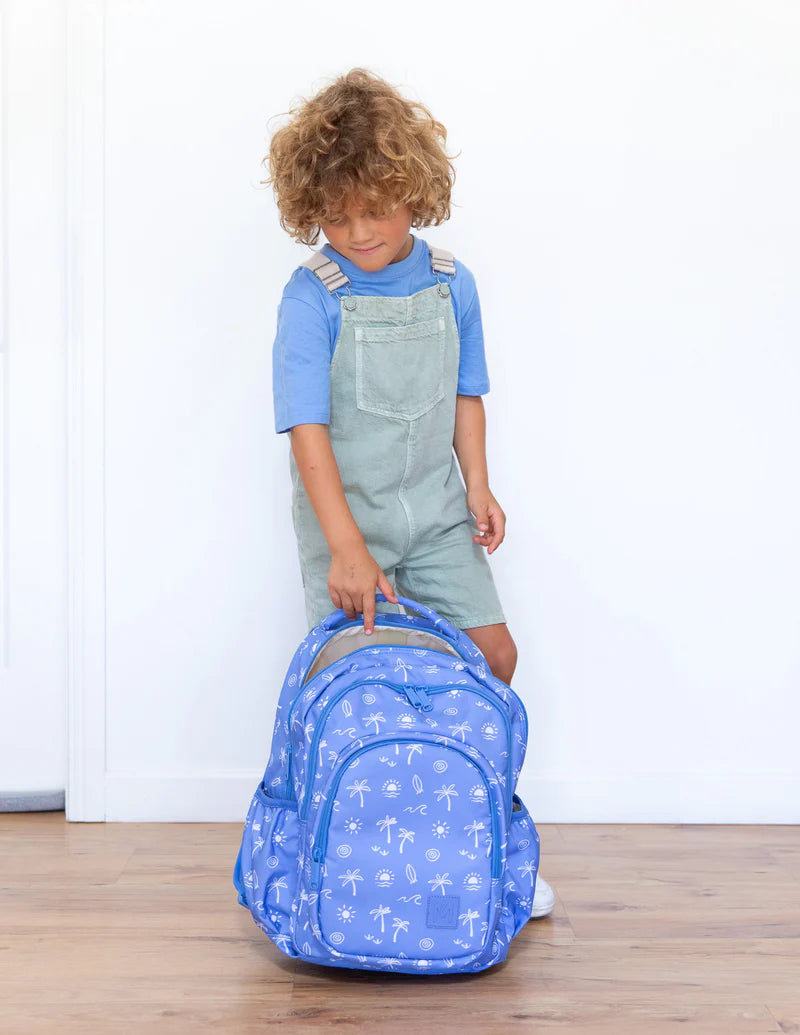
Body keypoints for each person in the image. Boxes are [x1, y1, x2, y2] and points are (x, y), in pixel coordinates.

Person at [264, 67, 554, 920]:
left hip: (433, 514)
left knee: (493, 658)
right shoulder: (311, 298)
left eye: (376, 210)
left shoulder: (450, 281)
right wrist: (346, 546)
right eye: (336, 213)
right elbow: (306, 430)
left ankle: (482, 838)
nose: (356, 232)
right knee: (356, 682)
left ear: (413, 193)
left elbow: (468, 392)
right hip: (342, 522)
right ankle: (345, 854)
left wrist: (479, 485)